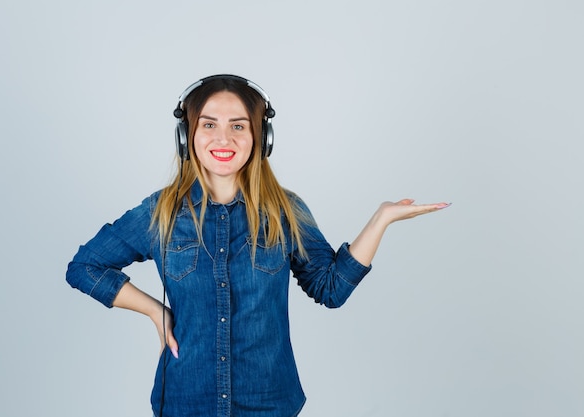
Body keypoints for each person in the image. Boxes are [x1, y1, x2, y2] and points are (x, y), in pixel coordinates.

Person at [66, 74, 450, 417]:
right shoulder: (160, 212)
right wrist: (155, 311)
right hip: (185, 401)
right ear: (187, 137)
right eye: (209, 125)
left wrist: (380, 219)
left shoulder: (286, 211)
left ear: (260, 138)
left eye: (239, 126)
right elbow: (84, 267)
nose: (223, 138)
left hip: (268, 403)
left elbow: (330, 289)